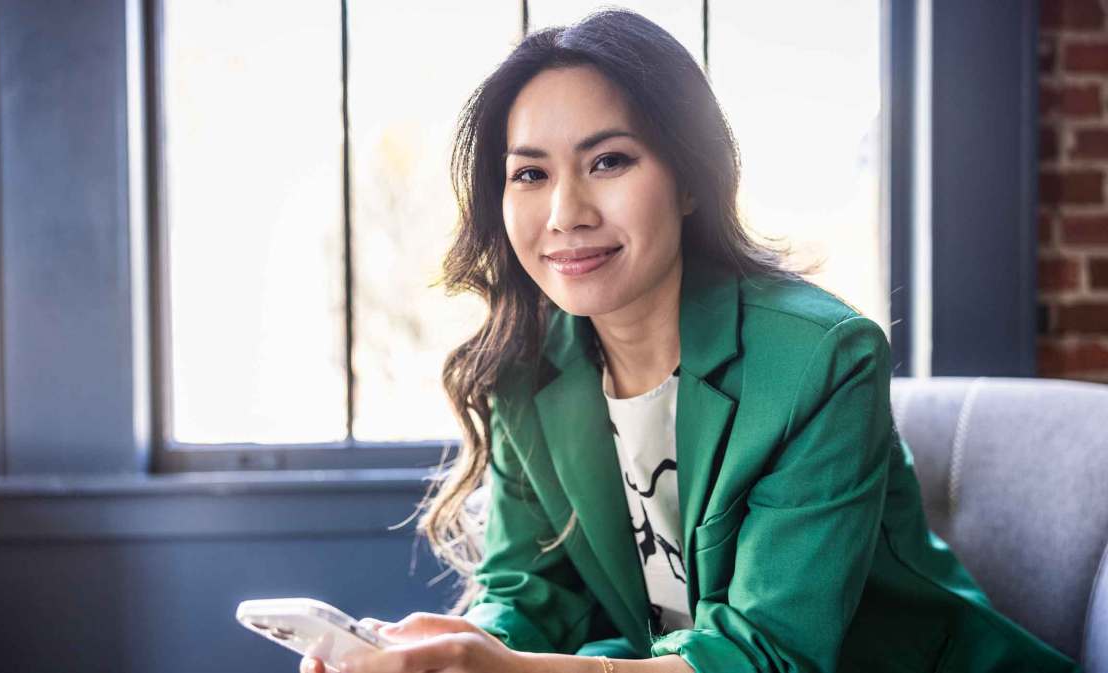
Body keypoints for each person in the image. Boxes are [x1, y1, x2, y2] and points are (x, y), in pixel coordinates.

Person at [303, 9, 1079, 673]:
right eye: (530, 174)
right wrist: (461, 645)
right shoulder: (525, 368)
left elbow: (769, 655)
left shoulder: (821, 359)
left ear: (689, 180)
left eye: (608, 161)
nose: (565, 211)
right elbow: (528, 595)